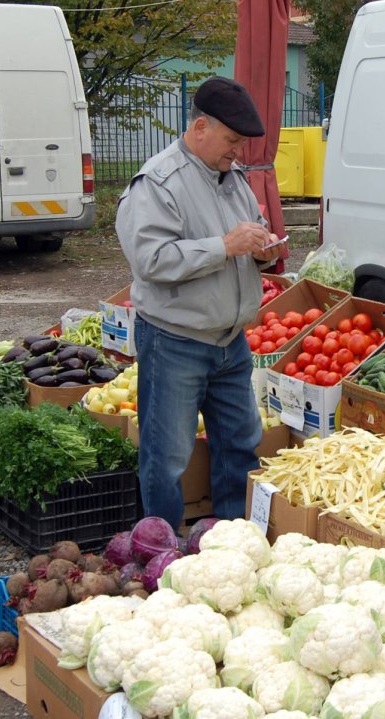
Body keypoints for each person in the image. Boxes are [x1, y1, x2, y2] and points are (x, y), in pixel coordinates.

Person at [116, 76, 286, 531]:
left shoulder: (233, 179)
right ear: (200, 127)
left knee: (240, 444)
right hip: (175, 341)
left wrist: (262, 249)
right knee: (168, 454)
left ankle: (233, 538)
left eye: (242, 143)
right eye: (232, 141)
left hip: (231, 341)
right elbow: (151, 260)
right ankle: (161, 546)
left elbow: (250, 233)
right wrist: (225, 246)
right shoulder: (158, 183)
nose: (238, 151)